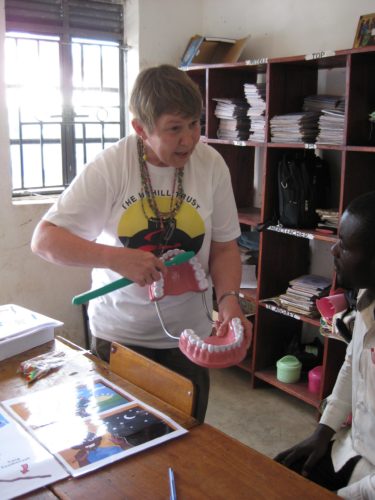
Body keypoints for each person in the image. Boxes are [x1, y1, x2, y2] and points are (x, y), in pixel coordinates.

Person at [31, 64, 252, 423]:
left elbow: (225, 247)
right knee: (120, 451)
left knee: (187, 444)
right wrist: (115, 258)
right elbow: (45, 239)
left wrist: (228, 300)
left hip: (190, 339)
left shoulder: (211, 164)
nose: (189, 140)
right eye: (174, 129)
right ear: (140, 129)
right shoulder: (112, 166)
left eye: (194, 124)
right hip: (120, 339)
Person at [274, 190, 375, 498]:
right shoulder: (364, 293)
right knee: (276, 476)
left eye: (344, 245)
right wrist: (324, 430)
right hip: (355, 448)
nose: (333, 251)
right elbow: (352, 365)